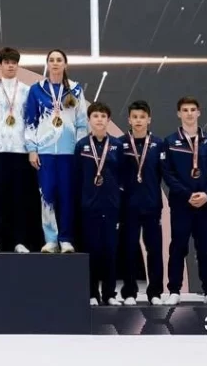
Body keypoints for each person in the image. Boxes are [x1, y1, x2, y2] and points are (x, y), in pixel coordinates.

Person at [24, 49, 87, 253]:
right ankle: (51, 239)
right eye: (51, 60)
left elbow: (82, 122)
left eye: (59, 60)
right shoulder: (37, 90)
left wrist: (79, 149)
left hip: (69, 153)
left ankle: (66, 239)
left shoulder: (75, 90)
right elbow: (30, 121)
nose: (55, 63)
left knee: (67, 195)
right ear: (47, 64)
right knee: (47, 195)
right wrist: (32, 149)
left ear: (65, 64)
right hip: (45, 152)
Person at [162, 96, 207, 305]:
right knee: (178, 246)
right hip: (181, 204)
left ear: (199, 113)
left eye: (192, 110)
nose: (189, 114)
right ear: (179, 114)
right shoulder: (170, 142)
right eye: (185, 110)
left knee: (206, 248)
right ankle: (174, 290)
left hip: (206, 203)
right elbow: (168, 174)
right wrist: (186, 195)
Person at [0, 47, 32, 253]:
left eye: (14, 62)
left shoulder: (27, 91)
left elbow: (31, 120)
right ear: (0, 65)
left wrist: (31, 146)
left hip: (20, 149)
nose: (11, 66)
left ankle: (19, 241)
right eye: (7, 62)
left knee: (18, 197)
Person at [75, 102, 124, 306]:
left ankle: (110, 294)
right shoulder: (81, 145)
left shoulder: (117, 146)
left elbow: (123, 176)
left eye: (103, 116)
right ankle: (92, 293)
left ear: (108, 120)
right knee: (92, 251)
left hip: (111, 206)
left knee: (110, 251)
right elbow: (77, 177)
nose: (99, 120)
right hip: (89, 207)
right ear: (89, 120)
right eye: (95, 116)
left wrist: (118, 200)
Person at [118, 99, 165, 306]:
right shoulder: (119, 144)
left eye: (142, 117)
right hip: (128, 206)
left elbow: (164, 174)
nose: (138, 121)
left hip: (152, 204)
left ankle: (155, 293)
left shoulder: (158, 144)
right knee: (129, 249)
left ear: (149, 119)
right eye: (135, 117)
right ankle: (129, 292)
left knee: (154, 249)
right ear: (129, 119)